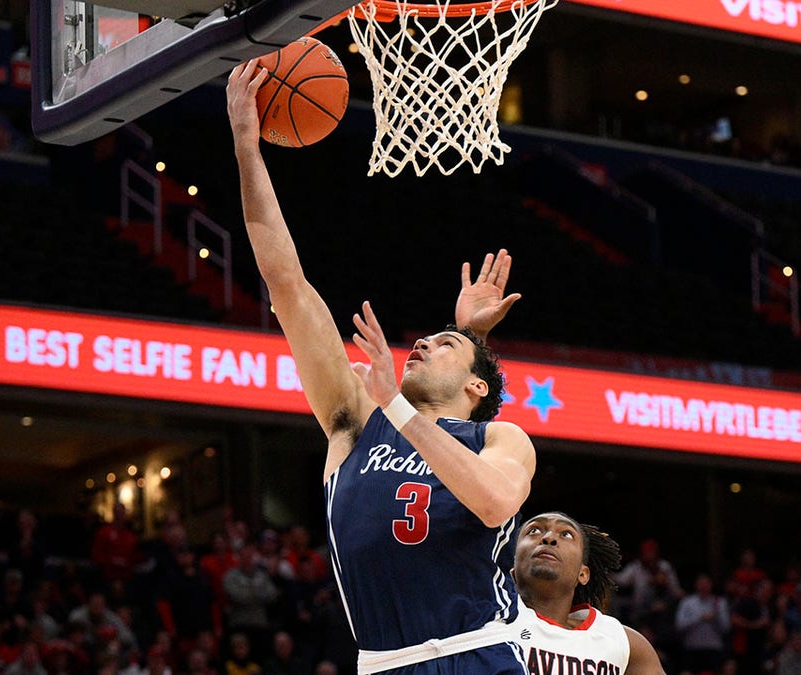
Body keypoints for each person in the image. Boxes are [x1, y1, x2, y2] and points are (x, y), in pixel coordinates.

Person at [226, 60, 534, 675]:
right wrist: (245, 146)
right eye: (423, 340)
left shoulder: (497, 437)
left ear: (477, 384)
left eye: (442, 346)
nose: (419, 345)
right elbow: (286, 285)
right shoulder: (353, 424)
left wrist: (404, 397)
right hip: (381, 663)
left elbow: (497, 503)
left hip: (477, 656)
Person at [511, 511, 665, 675]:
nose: (549, 538)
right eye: (534, 530)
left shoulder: (625, 643)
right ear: (512, 569)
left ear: (583, 574)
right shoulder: (489, 620)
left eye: (566, 534)